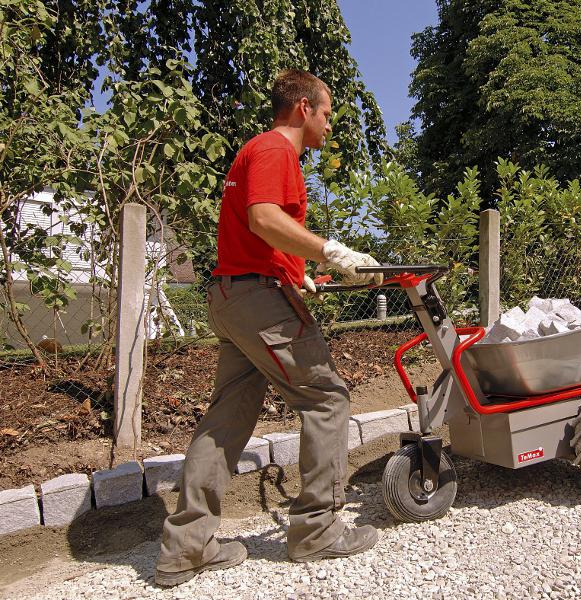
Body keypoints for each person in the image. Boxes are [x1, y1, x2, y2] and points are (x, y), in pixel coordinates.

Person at [154, 69, 384, 587]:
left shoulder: (256, 152)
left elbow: (259, 236)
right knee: (328, 398)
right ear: (303, 108)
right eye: (327, 114)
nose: (329, 125)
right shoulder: (276, 151)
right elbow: (263, 218)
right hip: (256, 299)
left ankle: (186, 546)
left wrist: (300, 274)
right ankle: (318, 529)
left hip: (234, 295)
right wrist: (332, 248)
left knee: (229, 415)